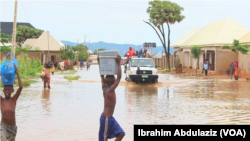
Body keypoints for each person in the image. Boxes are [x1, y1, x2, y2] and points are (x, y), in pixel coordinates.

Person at [98, 54, 125, 141]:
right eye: (114, 80)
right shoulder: (109, 91)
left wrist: (100, 63)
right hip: (106, 118)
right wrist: (118, 63)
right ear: (113, 82)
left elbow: (102, 76)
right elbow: (119, 78)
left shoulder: (104, 87)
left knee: (121, 133)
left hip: (109, 118)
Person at [0, 64, 22, 141]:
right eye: (5, 90)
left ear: (12, 91)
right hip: (3, 127)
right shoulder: (1, 100)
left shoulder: (14, 99)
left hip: (12, 128)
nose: (7, 91)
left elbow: (21, 87)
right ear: (3, 91)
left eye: (9, 90)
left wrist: (17, 73)